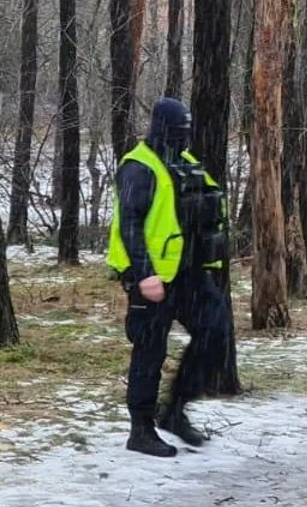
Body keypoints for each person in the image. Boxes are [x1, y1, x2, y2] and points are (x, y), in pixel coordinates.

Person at [108, 98, 232, 457]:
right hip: (152, 278)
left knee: (216, 332)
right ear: (163, 128)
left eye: (187, 130)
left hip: (190, 274)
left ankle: (175, 409)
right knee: (150, 351)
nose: (185, 137)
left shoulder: (187, 163)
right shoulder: (138, 167)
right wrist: (144, 274)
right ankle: (141, 430)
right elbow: (129, 225)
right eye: (180, 130)